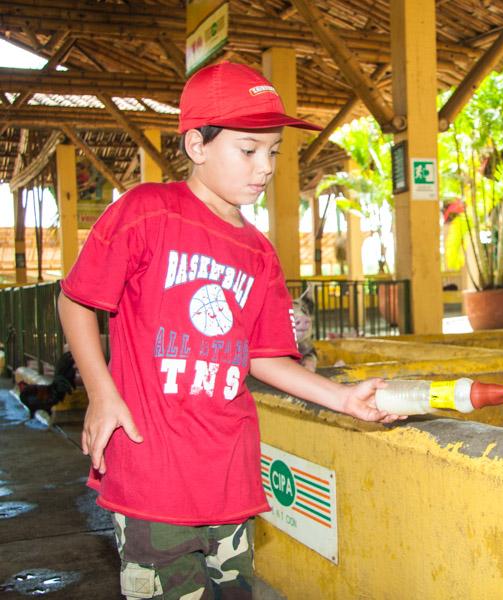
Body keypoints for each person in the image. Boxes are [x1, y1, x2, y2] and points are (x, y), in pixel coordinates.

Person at [57, 61, 403, 599]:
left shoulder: (259, 252)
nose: (263, 167)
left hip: (230, 474)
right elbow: (75, 300)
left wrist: (343, 399)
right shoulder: (145, 213)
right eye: (248, 150)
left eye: (273, 152)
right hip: (153, 468)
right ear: (197, 145)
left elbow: (264, 358)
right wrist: (101, 393)